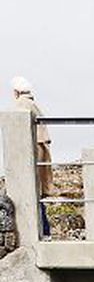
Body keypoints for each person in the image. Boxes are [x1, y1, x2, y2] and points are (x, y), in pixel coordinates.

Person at [12, 76, 52, 238]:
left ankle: (42, 232)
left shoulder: (21, 104)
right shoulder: (32, 103)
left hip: (32, 154)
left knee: (29, 194)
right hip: (40, 152)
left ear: (15, 92)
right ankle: (45, 232)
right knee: (37, 194)